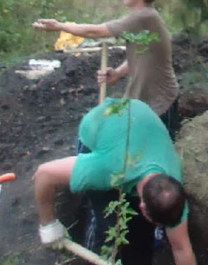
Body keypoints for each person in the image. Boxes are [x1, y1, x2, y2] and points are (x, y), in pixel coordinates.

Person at [34, 98, 197, 265]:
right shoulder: (106, 169)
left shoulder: (171, 192)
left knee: (138, 237)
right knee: (107, 224)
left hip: (137, 120)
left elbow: (181, 248)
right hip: (101, 127)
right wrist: (48, 226)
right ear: (142, 208)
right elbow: (44, 174)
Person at [33, 0, 180, 137]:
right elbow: (143, 55)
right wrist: (117, 73)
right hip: (146, 103)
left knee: (154, 155)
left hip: (160, 103)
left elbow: (95, 32)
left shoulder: (144, 17)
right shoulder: (143, 19)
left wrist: (59, 26)